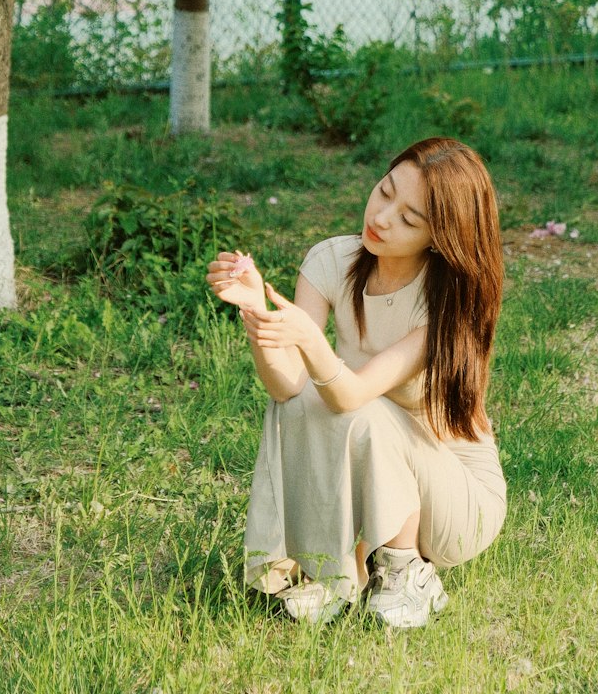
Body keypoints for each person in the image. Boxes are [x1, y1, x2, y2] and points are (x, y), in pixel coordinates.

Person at [205, 136, 507, 628]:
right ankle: (336, 568)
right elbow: (287, 388)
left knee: (362, 406)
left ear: (440, 237)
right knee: (304, 403)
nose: (383, 217)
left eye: (409, 218)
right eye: (385, 191)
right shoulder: (331, 261)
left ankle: (406, 572)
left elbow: (351, 393)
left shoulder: (444, 304)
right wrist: (255, 310)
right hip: (381, 477)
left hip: (455, 497)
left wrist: (313, 343)